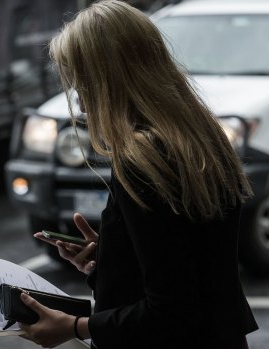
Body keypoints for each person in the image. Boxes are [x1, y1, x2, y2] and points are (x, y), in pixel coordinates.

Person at [17, 1, 258, 348]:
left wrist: (74, 327)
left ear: (111, 81)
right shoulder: (200, 137)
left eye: (84, 85)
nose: (82, 104)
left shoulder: (143, 159)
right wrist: (111, 258)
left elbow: (172, 310)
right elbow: (190, 262)